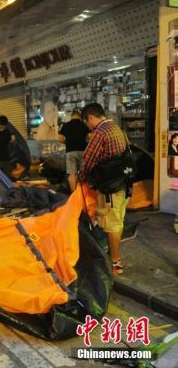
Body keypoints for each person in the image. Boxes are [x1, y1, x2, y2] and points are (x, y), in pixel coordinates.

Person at [78, 103, 129, 275]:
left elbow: (88, 160)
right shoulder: (116, 127)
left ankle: (115, 262)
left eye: (87, 122)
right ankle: (114, 254)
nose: (88, 127)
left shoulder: (100, 132)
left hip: (110, 186)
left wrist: (80, 179)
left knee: (111, 223)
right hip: (123, 182)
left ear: (90, 118)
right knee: (118, 221)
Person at [59, 109, 90, 191]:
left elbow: (60, 138)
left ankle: (74, 193)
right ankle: (83, 192)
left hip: (70, 152)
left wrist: (67, 141)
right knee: (84, 173)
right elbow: (90, 136)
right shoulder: (84, 125)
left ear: (71, 116)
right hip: (83, 152)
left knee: (72, 174)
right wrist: (85, 139)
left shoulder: (66, 125)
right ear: (80, 117)